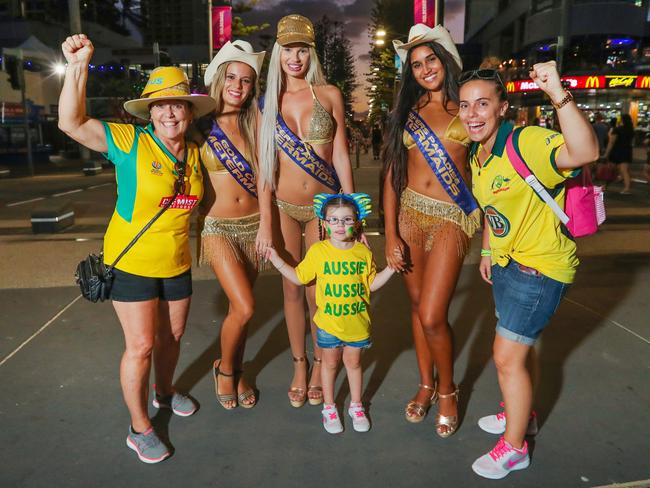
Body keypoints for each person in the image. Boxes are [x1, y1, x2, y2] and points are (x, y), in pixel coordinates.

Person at [58, 34, 216, 463]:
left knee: (174, 336)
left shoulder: (197, 154)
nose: (169, 111)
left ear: (188, 111)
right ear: (150, 111)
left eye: (177, 104)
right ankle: (139, 426)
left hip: (177, 263)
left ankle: (165, 393)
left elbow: (203, 207)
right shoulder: (129, 142)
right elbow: (71, 123)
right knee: (142, 345)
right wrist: (79, 66)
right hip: (132, 264)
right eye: (160, 105)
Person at [458, 62, 598, 479]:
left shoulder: (526, 141)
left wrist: (557, 92)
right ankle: (523, 415)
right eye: (465, 106)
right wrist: (486, 251)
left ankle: (515, 447)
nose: (473, 114)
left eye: (483, 104)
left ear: (502, 107)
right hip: (506, 265)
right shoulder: (478, 151)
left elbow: (585, 151)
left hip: (537, 270)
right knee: (521, 351)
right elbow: (492, 210)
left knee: (506, 357)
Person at [382, 24, 481, 436]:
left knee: (433, 313)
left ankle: (447, 390)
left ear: (446, 60)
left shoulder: (469, 107)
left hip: (450, 219)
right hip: (408, 215)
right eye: (417, 64)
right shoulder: (406, 111)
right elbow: (391, 175)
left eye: (431, 59)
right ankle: (425, 384)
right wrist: (390, 233)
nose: (425, 69)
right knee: (417, 308)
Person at [256, 14, 356, 408]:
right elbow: (266, 169)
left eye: (301, 49)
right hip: (282, 207)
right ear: (278, 53)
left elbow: (343, 156)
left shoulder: (329, 94)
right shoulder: (267, 103)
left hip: (322, 208)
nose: (294, 57)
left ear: (310, 52)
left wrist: (351, 213)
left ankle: (319, 364)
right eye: (287, 50)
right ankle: (299, 364)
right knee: (291, 289)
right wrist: (265, 224)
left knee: (318, 291)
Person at [265, 193, 395, 433]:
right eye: (334, 220)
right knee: (330, 363)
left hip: (357, 324)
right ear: (324, 223)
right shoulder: (318, 251)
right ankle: (329, 407)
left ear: (357, 222)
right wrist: (277, 261)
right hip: (327, 323)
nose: (340, 225)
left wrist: (390, 270)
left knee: (354, 364)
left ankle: (356, 406)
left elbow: (371, 285)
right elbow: (299, 277)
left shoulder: (363, 253)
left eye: (346, 220)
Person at [196, 40, 266, 409]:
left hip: (254, 226)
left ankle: (236, 369)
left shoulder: (255, 122)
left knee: (238, 311)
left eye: (247, 81)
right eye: (232, 78)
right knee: (246, 306)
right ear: (219, 79)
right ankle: (224, 370)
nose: (238, 87)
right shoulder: (197, 125)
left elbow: (269, 180)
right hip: (218, 228)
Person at [605, 114, 634, 194]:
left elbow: (611, 142)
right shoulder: (631, 130)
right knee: (624, 170)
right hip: (627, 151)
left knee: (611, 169)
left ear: (621, 120)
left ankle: (606, 186)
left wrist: (606, 153)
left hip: (616, 151)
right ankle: (627, 187)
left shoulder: (617, 130)